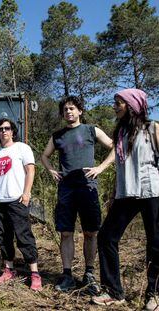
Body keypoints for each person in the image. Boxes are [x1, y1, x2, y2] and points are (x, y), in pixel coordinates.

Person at [92, 89, 159, 309]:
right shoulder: (120, 133)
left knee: (156, 244)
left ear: (132, 105)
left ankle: (154, 295)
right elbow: (121, 166)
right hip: (126, 194)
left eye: (118, 103)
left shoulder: (152, 128)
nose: (115, 107)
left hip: (152, 192)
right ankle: (114, 291)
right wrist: (114, 194)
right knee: (106, 237)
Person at [41, 96, 114, 293]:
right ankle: (67, 275)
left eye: (72, 108)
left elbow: (115, 147)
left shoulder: (91, 130)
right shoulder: (58, 136)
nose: (68, 112)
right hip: (66, 189)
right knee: (66, 232)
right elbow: (44, 156)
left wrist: (101, 167)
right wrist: (51, 170)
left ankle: (89, 273)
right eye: (65, 110)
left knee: (90, 232)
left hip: (87, 186)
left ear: (80, 111)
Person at [0, 118, 42, 291]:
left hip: (16, 200)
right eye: (0, 129)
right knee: (3, 237)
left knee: (23, 236)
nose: (4, 131)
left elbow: (30, 170)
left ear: (12, 131)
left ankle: (34, 273)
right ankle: (9, 270)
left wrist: (27, 192)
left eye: (7, 128)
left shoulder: (22, 148)